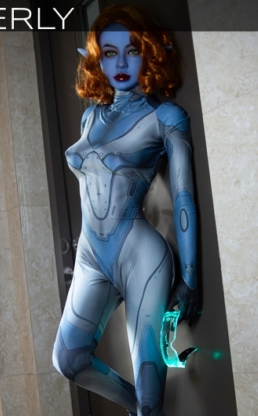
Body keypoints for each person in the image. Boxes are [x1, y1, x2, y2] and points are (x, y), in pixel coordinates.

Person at [52, 5, 199, 416]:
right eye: (109, 52)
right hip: (90, 254)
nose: (119, 64)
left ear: (148, 53)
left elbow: (184, 197)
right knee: (68, 361)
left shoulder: (165, 117)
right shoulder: (89, 118)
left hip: (140, 255)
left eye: (131, 51)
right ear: (97, 59)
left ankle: (146, 409)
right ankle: (139, 409)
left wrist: (190, 277)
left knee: (153, 399)